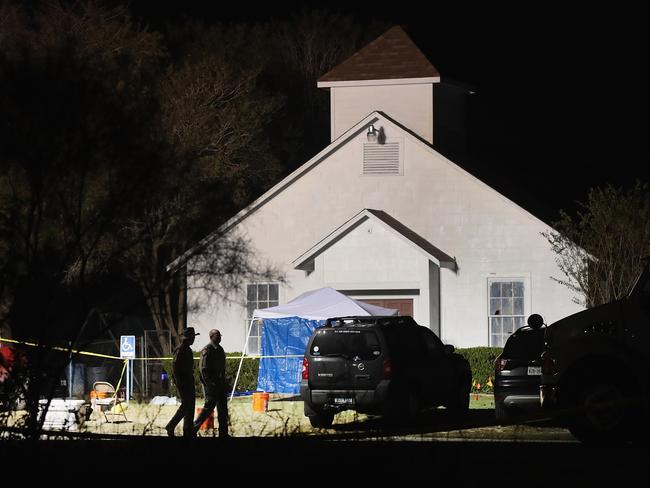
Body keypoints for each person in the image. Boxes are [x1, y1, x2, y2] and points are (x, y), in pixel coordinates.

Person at [194, 328, 229, 437]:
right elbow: (203, 369)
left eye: (219, 335)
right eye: (217, 335)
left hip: (220, 384)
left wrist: (223, 382)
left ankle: (223, 433)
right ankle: (193, 428)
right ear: (211, 337)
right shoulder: (207, 350)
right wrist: (209, 384)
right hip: (211, 385)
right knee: (208, 409)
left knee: (223, 410)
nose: (219, 337)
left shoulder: (220, 349)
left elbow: (222, 367)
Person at [165, 327, 199, 437]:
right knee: (186, 405)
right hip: (184, 382)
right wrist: (179, 382)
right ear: (189, 338)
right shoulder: (181, 349)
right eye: (193, 337)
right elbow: (175, 367)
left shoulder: (187, 349)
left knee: (190, 406)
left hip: (188, 380)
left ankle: (187, 429)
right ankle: (171, 425)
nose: (194, 340)